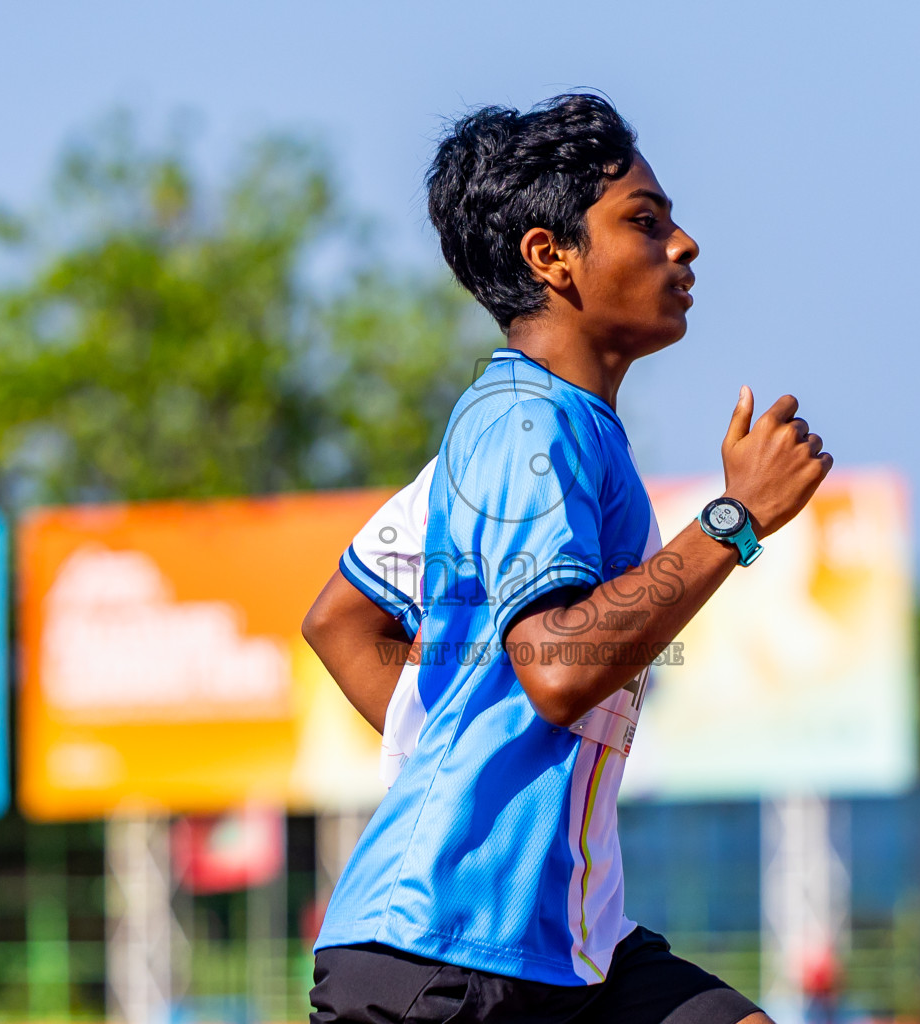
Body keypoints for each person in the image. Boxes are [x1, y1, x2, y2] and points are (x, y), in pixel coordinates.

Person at [301, 93, 831, 1024]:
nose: (686, 244)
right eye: (645, 221)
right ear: (550, 257)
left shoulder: (525, 431)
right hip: (444, 957)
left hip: (572, 943)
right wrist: (736, 519)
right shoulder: (522, 424)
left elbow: (340, 618)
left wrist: (468, 762)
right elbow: (555, 667)